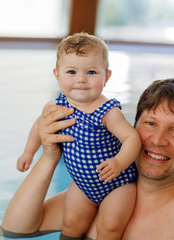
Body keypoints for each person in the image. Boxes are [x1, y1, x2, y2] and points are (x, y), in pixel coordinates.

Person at [0, 77, 174, 239]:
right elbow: (13, 229)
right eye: (150, 123)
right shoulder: (98, 193)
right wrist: (49, 158)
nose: (157, 140)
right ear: (131, 127)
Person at [14, 32, 141, 239]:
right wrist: (28, 152)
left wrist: (118, 162)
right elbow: (39, 124)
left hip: (118, 184)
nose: (81, 79)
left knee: (109, 228)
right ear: (57, 75)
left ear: (106, 76)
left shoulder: (107, 111)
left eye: (91, 72)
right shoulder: (56, 106)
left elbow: (132, 138)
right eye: (71, 72)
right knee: (71, 225)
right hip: (83, 186)